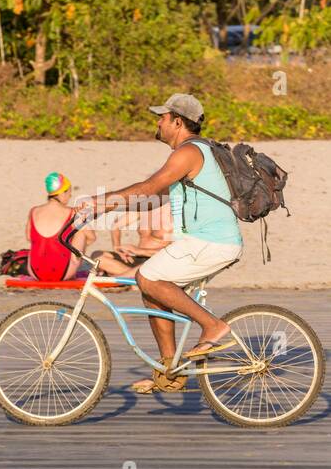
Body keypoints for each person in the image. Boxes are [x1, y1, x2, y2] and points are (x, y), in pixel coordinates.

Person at [75, 93, 243, 394]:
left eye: (162, 117)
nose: (158, 122)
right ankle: (171, 371)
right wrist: (104, 210)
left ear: (178, 122)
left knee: (146, 276)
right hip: (205, 241)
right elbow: (149, 199)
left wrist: (99, 200)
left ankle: (213, 326)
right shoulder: (190, 155)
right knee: (152, 291)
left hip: (212, 241)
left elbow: (149, 185)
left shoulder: (188, 152)